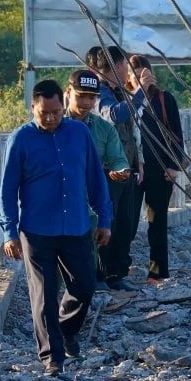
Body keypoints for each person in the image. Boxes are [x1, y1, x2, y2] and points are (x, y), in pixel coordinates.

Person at [0, 80, 113, 377]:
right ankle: (53, 358)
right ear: (33, 108)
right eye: (44, 113)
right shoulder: (20, 140)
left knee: (85, 287)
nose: (50, 118)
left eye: (56, 112)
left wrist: (104, 219)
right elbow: (7, 190)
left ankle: (65, 329)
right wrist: (9, 232)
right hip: (37, 230)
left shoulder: (79, 133)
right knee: (44, 295)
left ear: (63, 106)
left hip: (75, 226)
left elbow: (95, 179)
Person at [87, 44, 149, 291]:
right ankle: (100, 275)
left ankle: (118, 273)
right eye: (125, 64)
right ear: (117, 66)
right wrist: (141, 91)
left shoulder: (122, 92)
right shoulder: (99, 93)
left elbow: (134, 130)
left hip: (128, 169)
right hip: (106, 169)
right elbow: (114, 115)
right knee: (106, 224)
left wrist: (139, 162)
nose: (128, 70)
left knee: (126, 224)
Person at [64, 71, 130, 290]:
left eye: (91, 98)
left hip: (91, 194)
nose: (86, 103)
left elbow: (117, 158)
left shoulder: (104, 129)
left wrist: (121, 170)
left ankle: (99, 277)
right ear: (68, 92)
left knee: (106, 225)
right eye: (81, 96)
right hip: (59, 195)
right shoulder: (52, 122)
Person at [130, 56, 186, 284]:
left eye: (146, 73)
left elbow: (177, 134)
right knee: (128, 222)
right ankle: (120, 269)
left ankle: (158, 272)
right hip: (133, 168)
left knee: (157, 223)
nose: (143, 78)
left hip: (160, 169)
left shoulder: (164, 99)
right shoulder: (126, 100)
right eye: (137, 73)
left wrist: (174, 166)